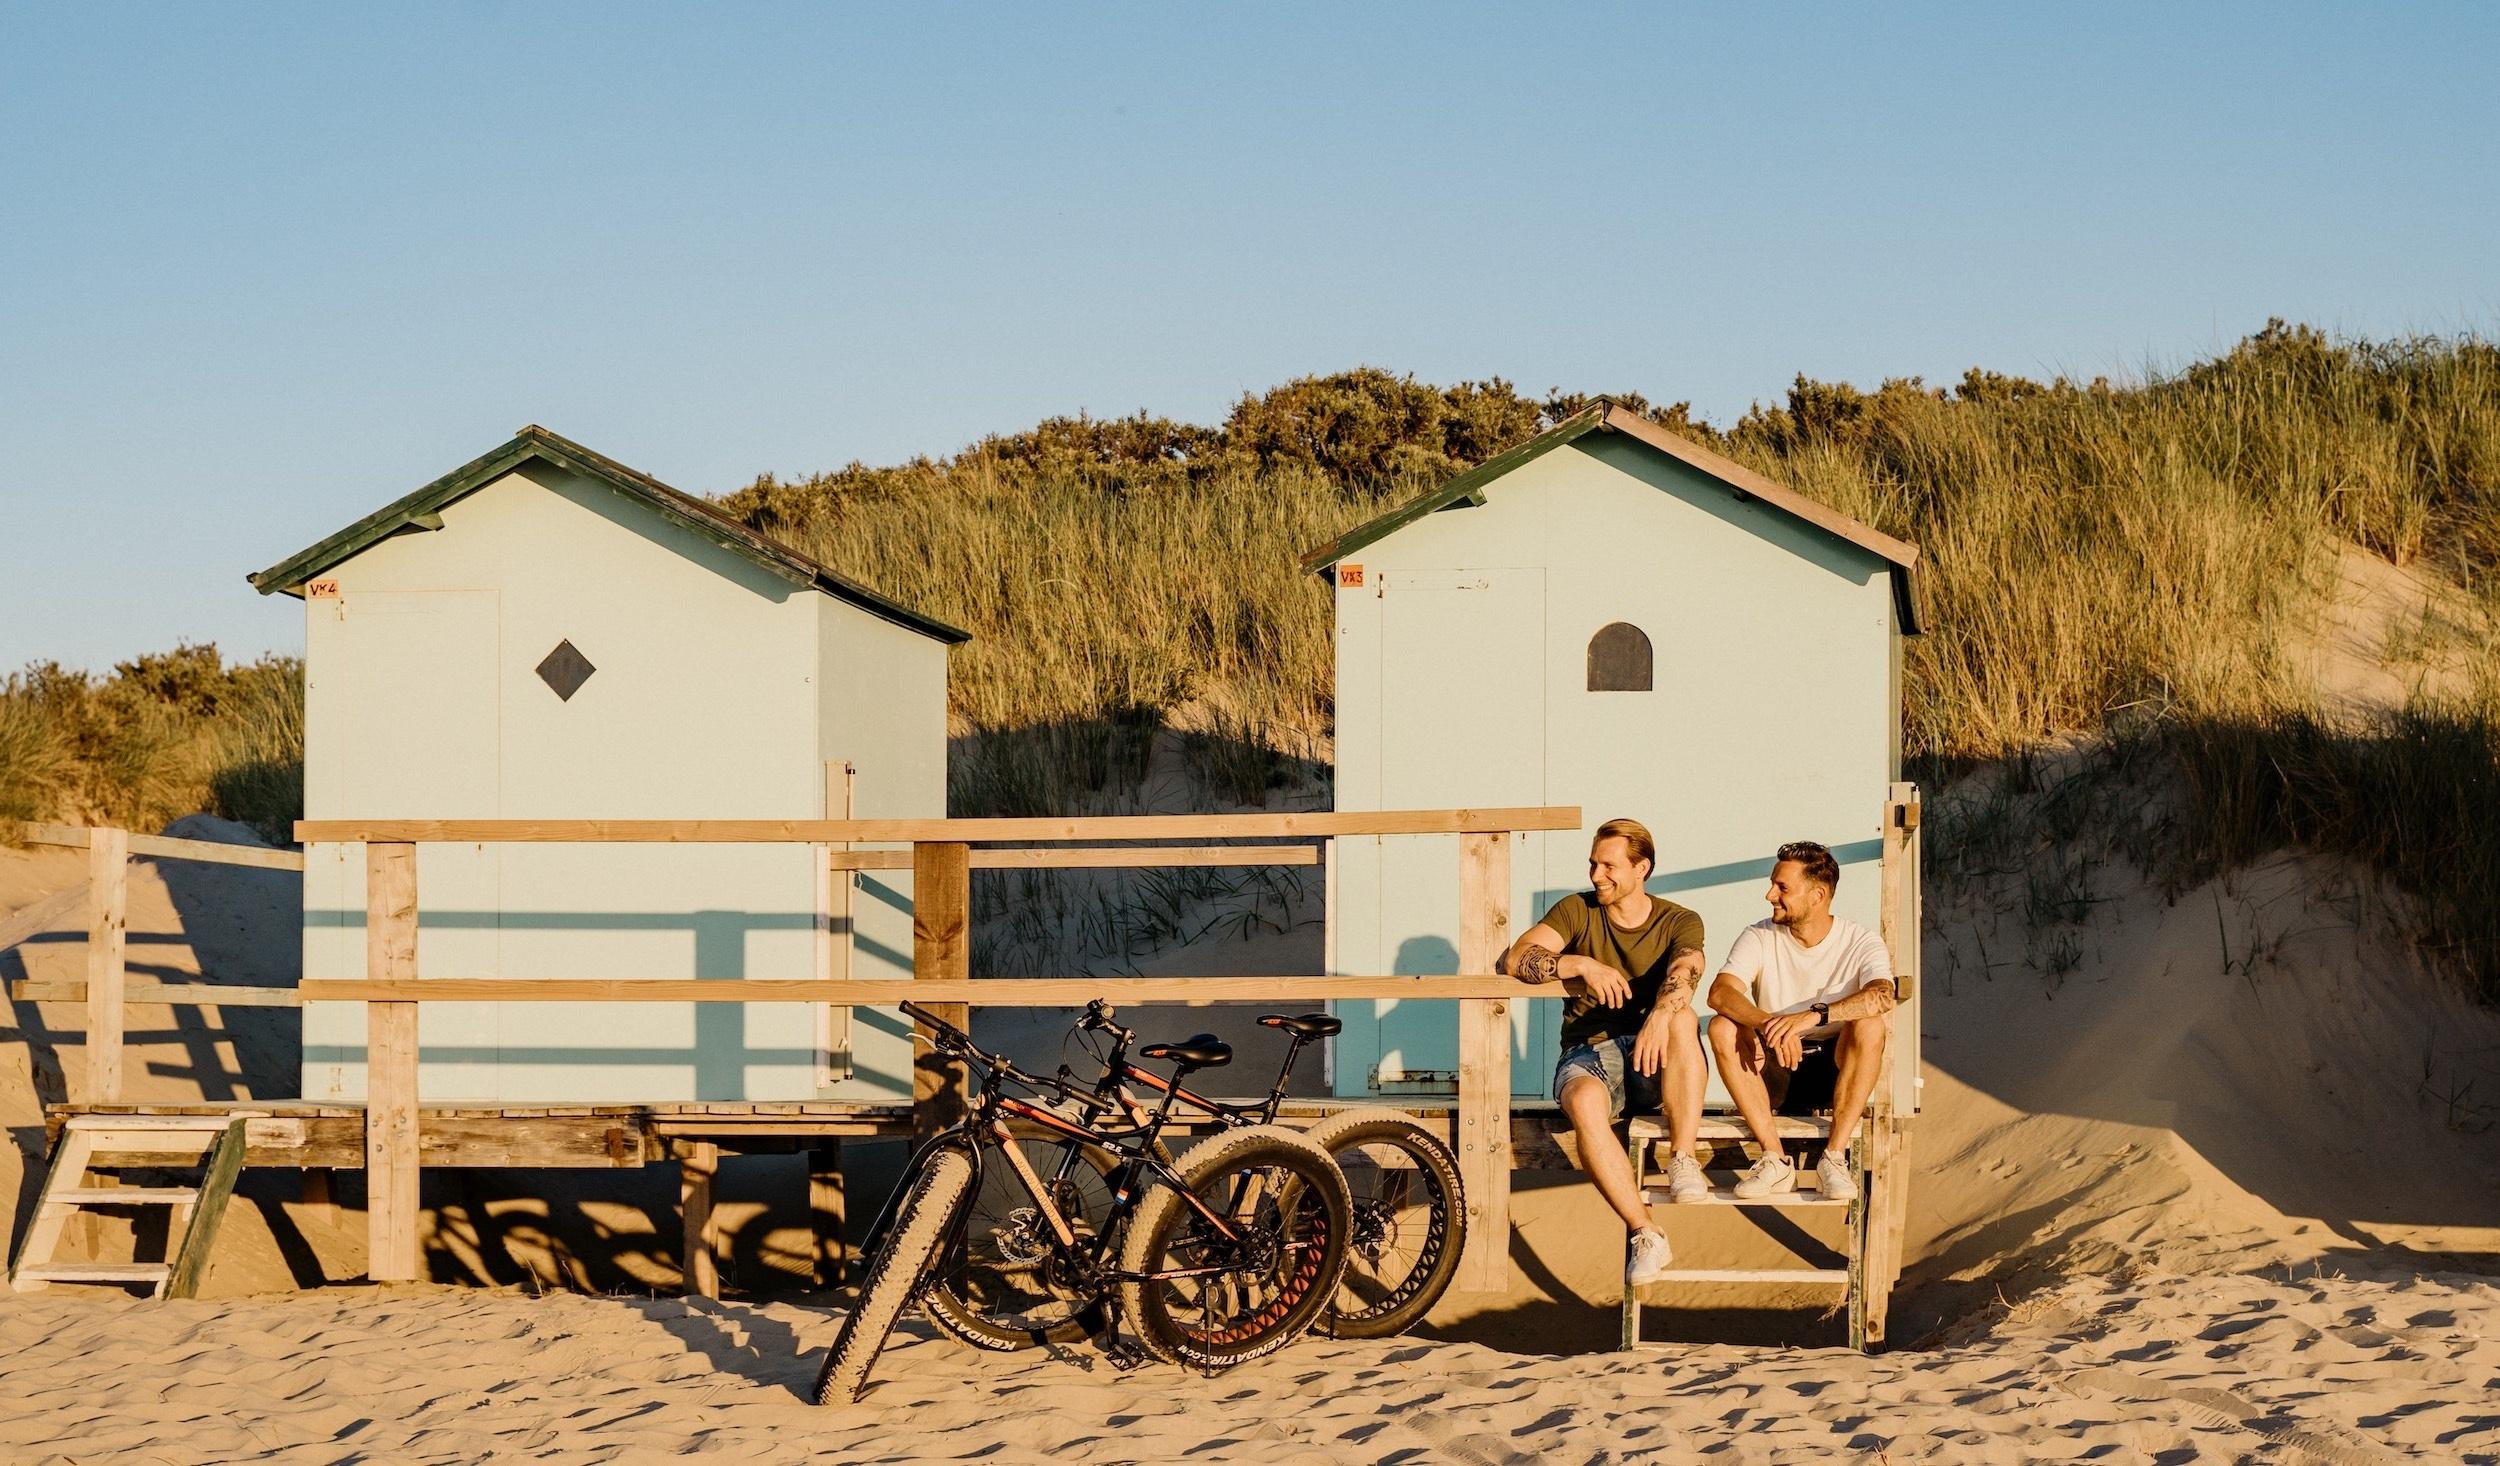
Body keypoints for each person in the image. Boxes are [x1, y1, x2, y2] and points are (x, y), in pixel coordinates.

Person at [1504, 818, 1707, 1287]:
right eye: (1594, 863)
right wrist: (1578, 963)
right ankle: (1646, 1232)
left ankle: (1682, 1157)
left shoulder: (1679, 919)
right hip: (1589, 1053)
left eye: (1609, 865)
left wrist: (1660, 1012)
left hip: (1660, 1058)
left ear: (1642, 869)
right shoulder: (1577, 910)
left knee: (1682, 1017)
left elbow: (1687, 968)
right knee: (1581, 1101)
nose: (1597, 875)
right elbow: (1517, 957)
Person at [1704, 840, 1897, 1203]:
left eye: (1782, 888)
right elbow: (1719, 994)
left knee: (1871, 1024)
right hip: (1773, 1064)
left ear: (1818, 895)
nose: (1769, 895)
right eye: (1773, 884)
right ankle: (1774, 1159)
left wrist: (1813, 1016)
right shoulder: (1760, 934)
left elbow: (1883, 995)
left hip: (1835, 1069)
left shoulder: (1859, 940)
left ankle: (1834, 1157)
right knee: (1721, 1026)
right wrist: (1769, 1023)